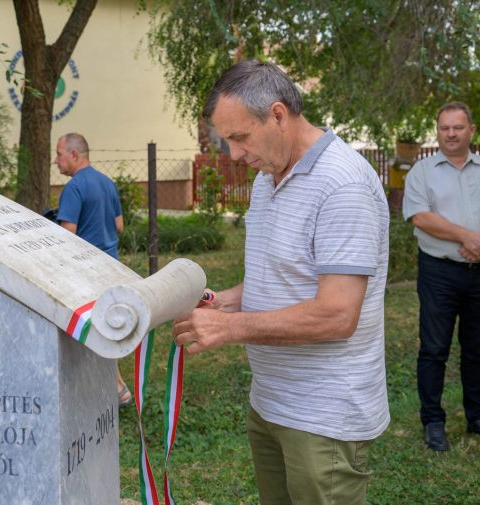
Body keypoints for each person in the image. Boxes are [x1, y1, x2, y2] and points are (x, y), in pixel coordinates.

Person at [172, 59, 390, 504]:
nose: (233, 154)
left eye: (239, 137)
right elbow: (277, 281)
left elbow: (337, 314)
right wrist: (221, 303)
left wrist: (229, 329)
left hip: (323, 414)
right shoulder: (268, 178)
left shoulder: (342, 184)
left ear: (277, 115)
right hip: (271, 400)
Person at [402, 102, 480, 451]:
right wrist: (467, 237)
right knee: (434, 349)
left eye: (457, 127)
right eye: (444, 128)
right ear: (437, 131)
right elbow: (420, 217)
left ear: (471, 129)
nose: (450, 134)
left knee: (477, 349)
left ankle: (478, 417)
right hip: (438, 272)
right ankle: (433, 422)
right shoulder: (422, 172)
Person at [53, 133, 131, 407]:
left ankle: (116, 387)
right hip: (112, 265)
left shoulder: (74, 188)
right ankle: (114, 386)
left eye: (59, 154)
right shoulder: (107, 183)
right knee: (105, 328)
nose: (55, 161)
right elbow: (119, 226)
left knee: (91, 333)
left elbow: (67, 235)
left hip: (86, 271)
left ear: (74, 155)